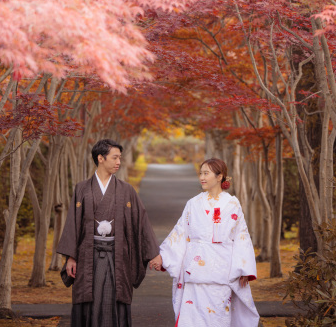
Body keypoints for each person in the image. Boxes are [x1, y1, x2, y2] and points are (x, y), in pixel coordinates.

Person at [57, 139, 159, 327]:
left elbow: (141, 221)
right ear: (100, 158)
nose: (119, 162)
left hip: (117, 254)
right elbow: (73, 223)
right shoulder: (82, 189)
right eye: (115, 157)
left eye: (119, 157)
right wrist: (71, 257)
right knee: (88, 296)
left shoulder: (126, 190)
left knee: (116, 296)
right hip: (89, 255)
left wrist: (154, 253)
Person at [148, 158, 259, 326]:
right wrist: (163, 257)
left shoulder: (232, 204)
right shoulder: (193, 204)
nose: (202, 177)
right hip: (195, 272)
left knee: (218, 317)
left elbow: (241, 237)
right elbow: (180, 233)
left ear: (220, 176)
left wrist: (244, 269)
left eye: (206, 173)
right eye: (201, 173)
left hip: (221, 272)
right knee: (193, 319)